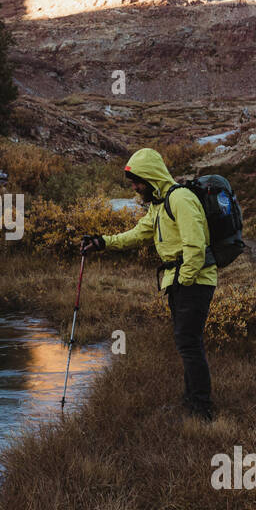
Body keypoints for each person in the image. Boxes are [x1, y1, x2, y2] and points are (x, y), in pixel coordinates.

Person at [81, 148, 218, 422]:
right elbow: (138, 234)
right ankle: (191, 402)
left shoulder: (180, 198)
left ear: (151, 177)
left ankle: (202, 410)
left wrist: (184, 280)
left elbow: (195, 244)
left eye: (137, 181)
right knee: (187, 343)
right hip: (179, 281)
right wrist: (103, 242)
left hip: (194, 281)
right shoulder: (159, 204)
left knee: (188, 343)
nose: (134, 187)